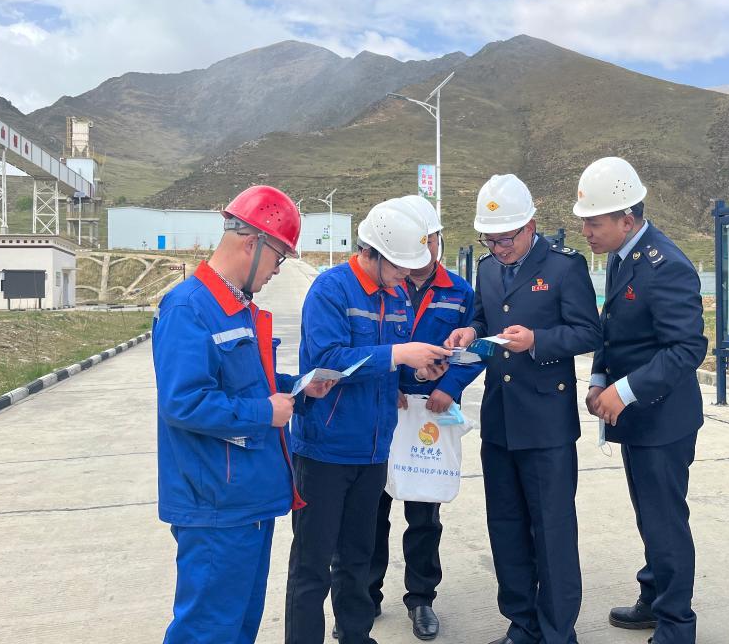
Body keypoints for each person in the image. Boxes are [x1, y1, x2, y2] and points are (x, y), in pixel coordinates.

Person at [153, 185, 334, 644]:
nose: (278, 269)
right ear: (253, 243)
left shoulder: (239, 308)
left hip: (247, 500)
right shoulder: (189, 309)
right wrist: (263, 412)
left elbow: (248, 383)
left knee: (238, 627)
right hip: (215, 506)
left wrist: (299, 386)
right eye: (279, 257)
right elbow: (183, 402)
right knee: (207, 630)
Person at [285, 199, 451, 644]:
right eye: (398, 265)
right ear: (370, 253)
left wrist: (420, 371)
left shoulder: (395, 295)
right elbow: (327, 360)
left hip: (374, 450)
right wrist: (397, 354)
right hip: (325, 450)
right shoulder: (331, 290)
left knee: (358, 557)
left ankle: (355, 635)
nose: (405, 275)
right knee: (312, 564)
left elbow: (392, 369)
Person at [446, 174, 601, 644]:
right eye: (489, 241)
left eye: (505, 239)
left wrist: (538, 341)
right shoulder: (489, 269)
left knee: (552, 532)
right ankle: (522, 625)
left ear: (530, 226)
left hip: (546, 423)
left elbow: (589, 332)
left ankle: (557, 633)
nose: (498, 248)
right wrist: (470, 333)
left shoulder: (564, 267)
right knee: (506, 527)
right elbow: (482, 318)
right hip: (499, 419)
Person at [577, 157, 707, 644]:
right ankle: (654, 597)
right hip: (637, 416)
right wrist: (599, 378)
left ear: (626, 219)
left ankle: (676, 625)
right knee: (649, 515)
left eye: (594, 222)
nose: (586, 231)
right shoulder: (622, 256)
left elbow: (687, 348)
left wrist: (624, 390)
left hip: (663, 420)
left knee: (665, 521)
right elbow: (613, 332)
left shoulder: (666, 266)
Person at [367, 195, 484, 641]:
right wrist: (387, 383)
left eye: (428, 241)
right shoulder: (382, 284)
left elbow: (475, 349)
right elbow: (372, 344)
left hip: (430, 414)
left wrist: (448, 387)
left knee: (424, 513)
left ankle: (421, 599)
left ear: (437, 239)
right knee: (372, 509)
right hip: (385, 410)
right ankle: (365, 595)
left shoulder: (459, 291)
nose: (421, 251)